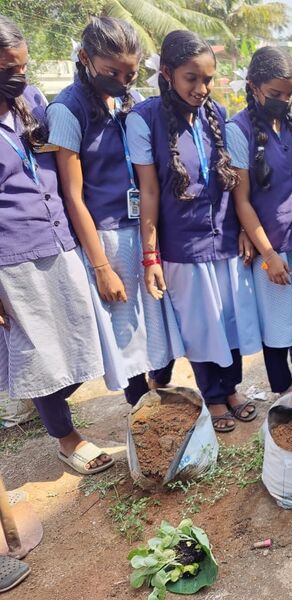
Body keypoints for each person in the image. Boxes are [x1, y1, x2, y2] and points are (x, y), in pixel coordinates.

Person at [127, 30, 261, 433]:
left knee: (230, 320)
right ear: (167, 73)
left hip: (225, 240)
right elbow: (148, 191)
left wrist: (241, 230)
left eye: (208, 80)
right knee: (201, 326)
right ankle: (213, 396)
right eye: (191, 78)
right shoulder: (143, 119)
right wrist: (150, 255)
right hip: (182, 246)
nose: (201, 88)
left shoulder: (217, 116)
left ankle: (232, 388)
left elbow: (233, 186)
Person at [47, 17, 183, 408]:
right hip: (106, 234)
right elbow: (73, 197)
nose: (123, 80)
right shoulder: (67, 110)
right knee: (127, 334)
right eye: (112, 72)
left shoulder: (132, 102)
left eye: (131, 73)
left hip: (145, 225)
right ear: (86, 58)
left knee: (161, 324)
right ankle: (141, 411)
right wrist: (102, 267)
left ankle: (160, 398)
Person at [0, 16, 112, 474]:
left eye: (22, 66)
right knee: (40, 350)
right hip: (13, 256)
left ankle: (34, 399)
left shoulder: (30, 100)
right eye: (9, 69)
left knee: (75, 342)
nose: (19, 77)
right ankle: (66, 437)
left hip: (59, 239)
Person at [228, 46, 292, 403]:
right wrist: (268, 253)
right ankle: (283, 388)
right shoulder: (238, 131)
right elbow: (242, 200)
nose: (283, 101)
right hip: (269, 244)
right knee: (278, 323)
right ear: (254, 86)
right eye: (275, 94)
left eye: (289, 94)